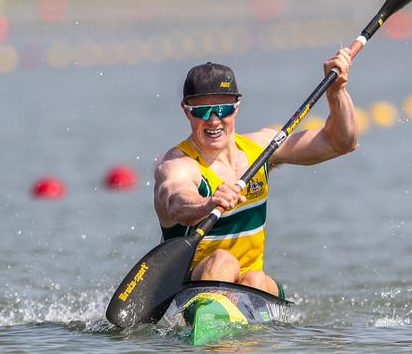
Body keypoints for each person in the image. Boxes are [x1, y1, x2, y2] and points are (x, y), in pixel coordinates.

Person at [153, 49, 357, 298]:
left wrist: (337, 92)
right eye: (202, 111)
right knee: (223, 261)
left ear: (236, 108)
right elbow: (177, 202)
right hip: (194, 286)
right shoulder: (177, 164)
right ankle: (212, 315)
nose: (215, 120)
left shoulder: (261, 149)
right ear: (186, 111)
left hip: (254, 287)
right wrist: (208, 203)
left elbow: (340, 142)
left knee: (254, 279)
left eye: (224, 108)